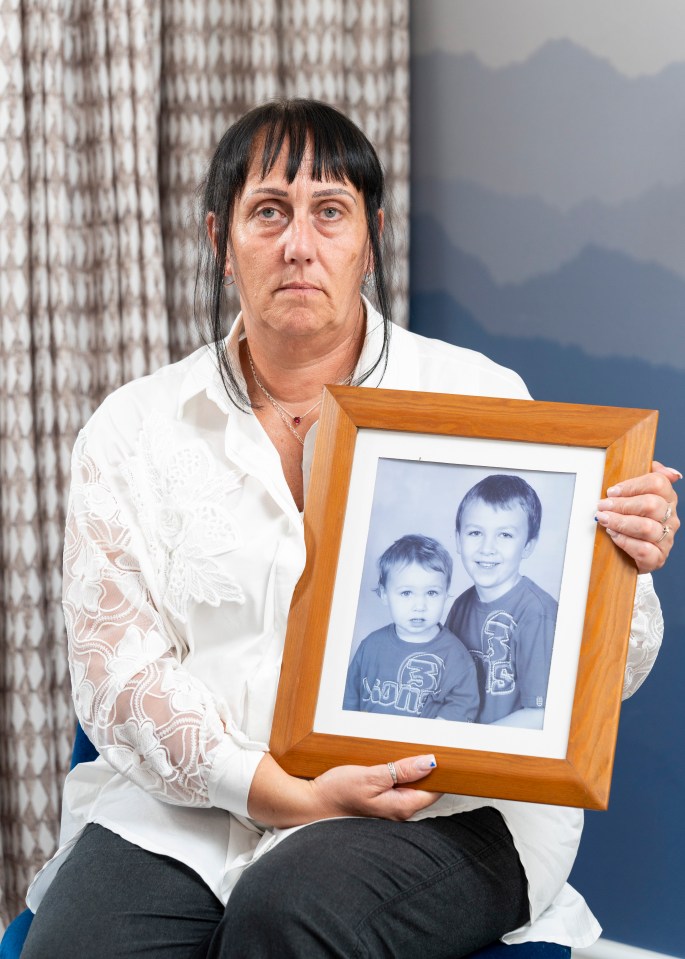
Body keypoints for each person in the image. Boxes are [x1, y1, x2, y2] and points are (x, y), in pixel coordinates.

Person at [21, 99, 680, 959]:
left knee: (288, 913)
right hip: (190, 809)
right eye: (269, 212)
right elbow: (116, 674)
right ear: (221, 242)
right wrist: (278, 792)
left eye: (329, 212)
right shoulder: (134, 426)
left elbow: (602, 669)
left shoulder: (479, 400)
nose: (299, 244)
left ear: (368, 237)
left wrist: (628, 557)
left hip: (444, 806)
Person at [446, 474, 557, 728]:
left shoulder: (538, 614)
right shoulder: (460, 606)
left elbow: (541, 716)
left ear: (528, 545)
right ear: (458, 540)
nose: (487, 548)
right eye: (475, 532)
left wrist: (470, 743)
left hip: (507, 755)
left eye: (505, 535)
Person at [343, 533, 479, 720]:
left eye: (432, 593)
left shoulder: (455, 656)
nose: (420, 606)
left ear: (446, 594)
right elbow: (348, 701)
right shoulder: (370, 646)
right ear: (384, 594)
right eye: (406, 593)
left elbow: (462, 707)